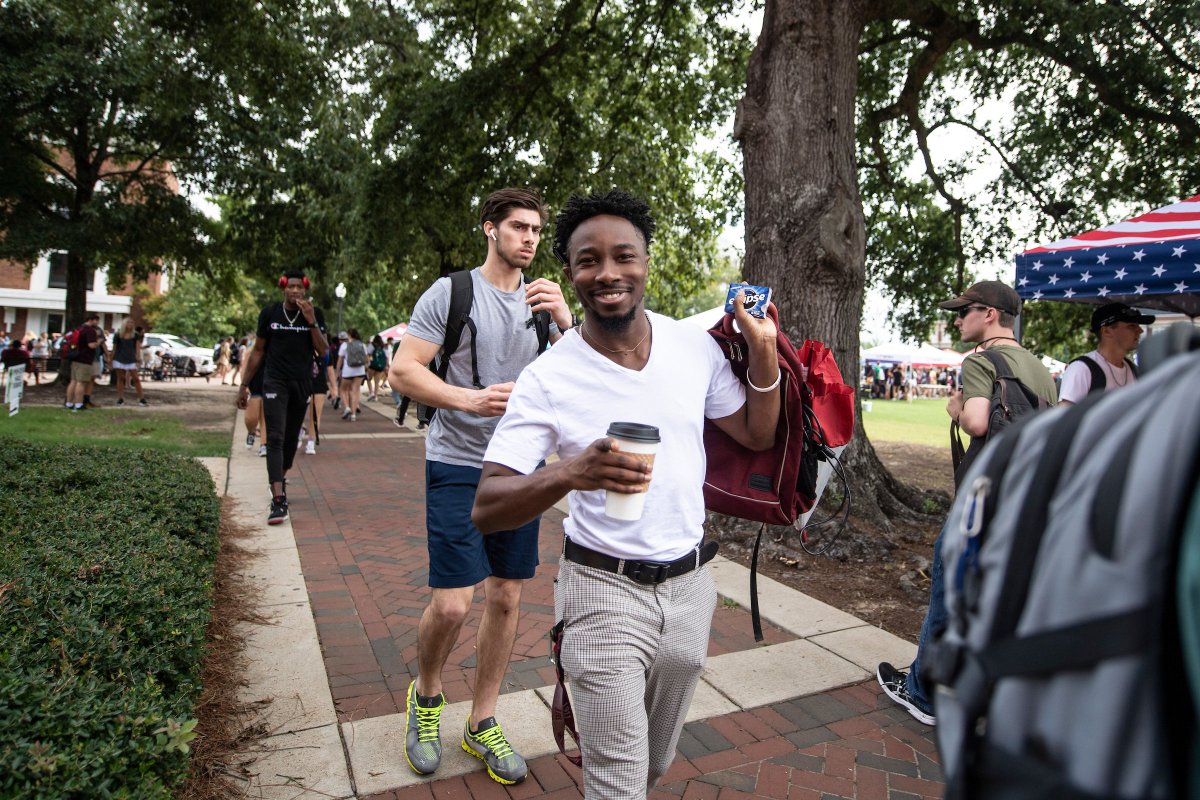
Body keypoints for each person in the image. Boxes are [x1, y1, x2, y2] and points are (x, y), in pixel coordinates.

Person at [471, 189, 780, 798]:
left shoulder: (692, 348)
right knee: (617, 776)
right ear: (570, 273)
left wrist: (763, 353)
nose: (607, 273)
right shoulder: (550, 376)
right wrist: (571, 473)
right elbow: (487, 505)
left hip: (691, 590)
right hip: (601, 590)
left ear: (646, 262)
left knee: (653, 761)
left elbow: (755, 431)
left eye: (624, 256)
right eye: (589, 260)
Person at [387, 187, 572, 785]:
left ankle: (483, 719)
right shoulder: (452, 292)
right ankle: (428, 695)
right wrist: (469, 398)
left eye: (537, 231)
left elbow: (582, 380)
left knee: (508, 596)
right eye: (518, 227)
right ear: (489, 229)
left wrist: (567, 324)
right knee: (452, 601)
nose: (529, 239)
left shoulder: (545, 306)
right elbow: (404, 368)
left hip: (519, 469)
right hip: (456, 461)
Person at [877, 280, 1056, 726]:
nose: (957, 320)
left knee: (948, 587)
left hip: (982, 497)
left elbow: (977, 421)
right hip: (1025, 498)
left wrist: (955, 408)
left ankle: (922, 692)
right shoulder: (1038, 368)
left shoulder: (980, 360)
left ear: (990, 314)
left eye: (964, 311)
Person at [237, 272, 328, 525]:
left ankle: (280, 478)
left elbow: (323, 350)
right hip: (274, 381)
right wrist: (244, 385)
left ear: (305, 289)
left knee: (290, 439)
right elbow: (258, 351)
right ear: (283, 288)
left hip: (301, 383)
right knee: (275, 437)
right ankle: (278, 500)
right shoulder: (270, 313)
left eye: (300, 287)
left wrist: (311, 321)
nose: (296, 291)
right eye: (291, 287)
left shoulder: (314, 313)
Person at [1058, 302, 1154, 405]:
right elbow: (1065, 417)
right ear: (1106, 331)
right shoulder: (1081, 369)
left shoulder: (1134, 371)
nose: (1140, 331)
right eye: (1131, 326)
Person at [66, 314, 102, 411]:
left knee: (73, 381)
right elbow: (91, 345)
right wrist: (98, 342)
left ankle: (69, 403)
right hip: (85, 359)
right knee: (81, 382)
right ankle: (78, 404)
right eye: (97, 320)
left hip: (75, 358)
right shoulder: (90, 330)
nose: (98, 323)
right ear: (91, 320)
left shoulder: (79, 328)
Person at [111, 319, 148, 406]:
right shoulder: (118, 335)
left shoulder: (135, 335)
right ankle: (120, 399)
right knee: (120, 378)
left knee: (136, 378)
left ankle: (141, 398)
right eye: (128, 322)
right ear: (124, 324)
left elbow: (137, 347)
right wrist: (110, 358)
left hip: (131, 358)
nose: (130, 324)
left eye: (132, 323)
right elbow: (114, 348)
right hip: (119, 357)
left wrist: (138, 357)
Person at [337, 328, 367, 421]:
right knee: (355, 391)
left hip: (348, 370)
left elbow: (340, 359)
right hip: (360, 370)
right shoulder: (362, 344)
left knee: (343, 389)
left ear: (349, 335)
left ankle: (347, 407)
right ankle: (353, 415)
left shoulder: (344, 345)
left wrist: (337, 371)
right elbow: (366, 359)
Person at [367, 334, 388, 401]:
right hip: (380, 366)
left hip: (373, 365)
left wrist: (368, 362)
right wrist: (386, 366)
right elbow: (386, 357)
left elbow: (368, 354)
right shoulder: (383, 346)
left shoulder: (372, 345)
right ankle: (376, 396)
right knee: (377, 382)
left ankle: (371, 393)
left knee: (368, 379)